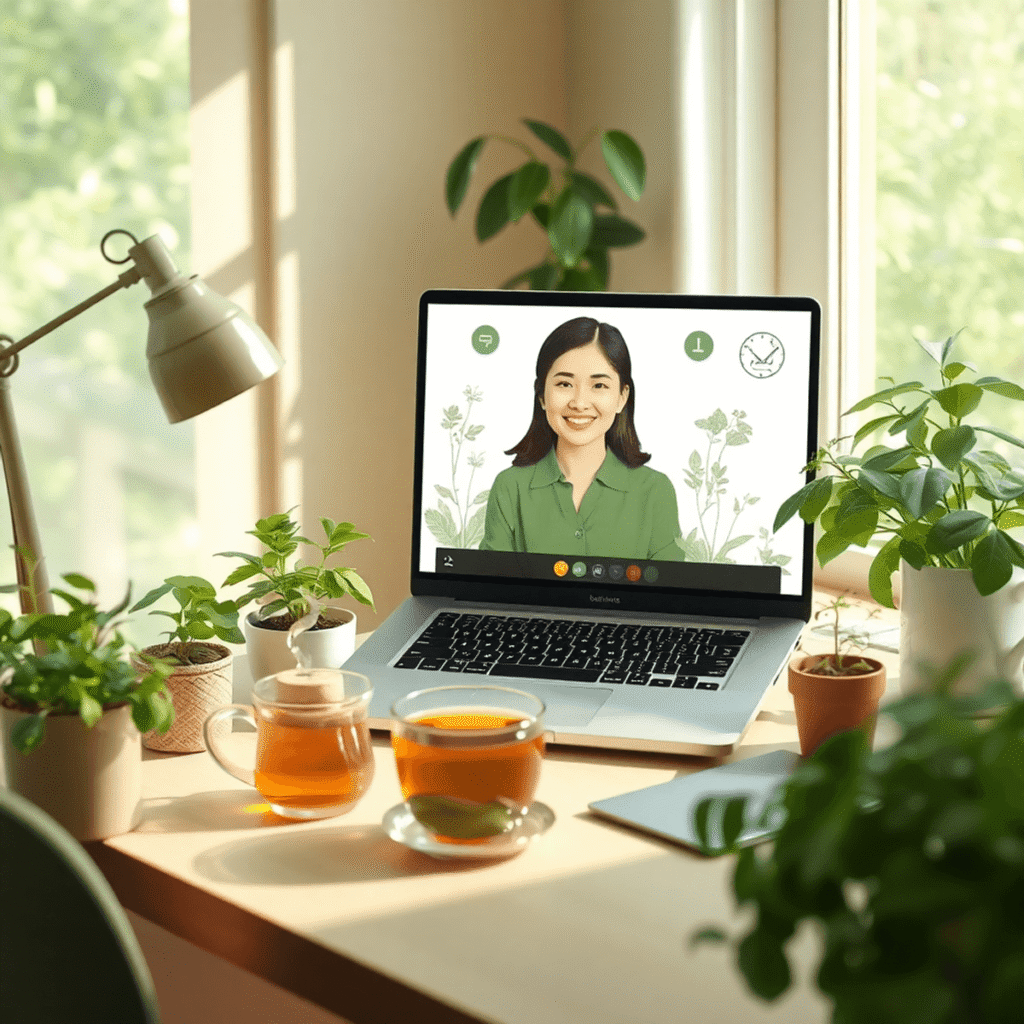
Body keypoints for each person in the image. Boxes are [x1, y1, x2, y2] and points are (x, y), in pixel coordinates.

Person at [480, 316, 685, 560]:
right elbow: (492, 589)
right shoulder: (509, 487)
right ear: (542, 396)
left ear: (622, 396)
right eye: (564, 384)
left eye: (598, 386)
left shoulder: (655, 491)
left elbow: (667, 594)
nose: (579, 403)